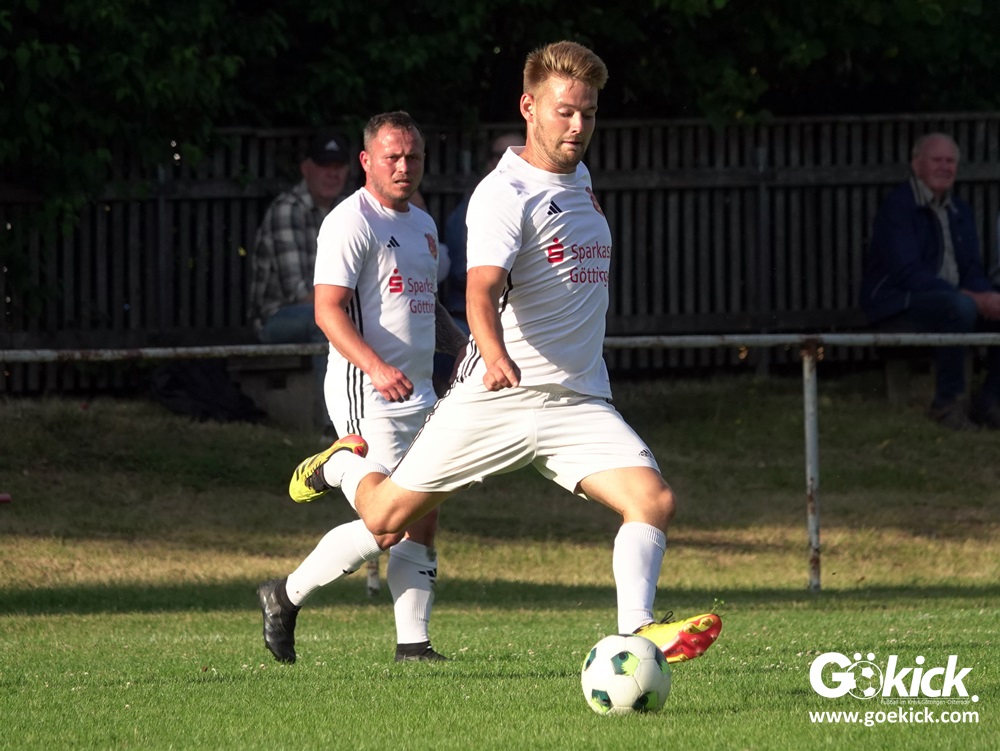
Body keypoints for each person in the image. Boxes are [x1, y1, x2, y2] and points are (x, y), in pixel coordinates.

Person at [284, 41, 722, 664]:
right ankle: (337, 470)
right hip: (497, 396)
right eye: (565, 112)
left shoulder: (580, 180)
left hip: (577, 399)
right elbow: (480, 290)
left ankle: (636, 633)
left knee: (653, 501)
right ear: (528, 107)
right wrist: (490, 355)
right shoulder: (503, 194)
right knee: (385, 520)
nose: (578, 126)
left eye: (589, 113)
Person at [256, 112, 468, 664]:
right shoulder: (350, 222)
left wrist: (463, 347)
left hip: (419, 394)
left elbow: (424, 305)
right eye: (392, 157)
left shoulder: (423, 224)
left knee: (422, 515)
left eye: (413, 157)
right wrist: (375, 367)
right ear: (367, 161)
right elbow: (327, 311)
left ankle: (412, 645)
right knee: (384, 522)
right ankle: (332, 472)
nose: (404, 166)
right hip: (366, 392)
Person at [861, 132, 1000, 430]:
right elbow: (908, 273)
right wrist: (971, 298)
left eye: (950, 161)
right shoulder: (899, 207)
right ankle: (946, 404)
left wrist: (989, 297)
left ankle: (990, 400)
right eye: (937, 160)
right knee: (960, 307)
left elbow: (972, 270)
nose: (945, 167)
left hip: (951, 302)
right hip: (898, 304)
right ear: (917, 165)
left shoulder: (959, 210)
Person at [248, 131, 352, 429]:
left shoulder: (348, 211)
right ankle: (330, 426)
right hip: (277, 317)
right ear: (306, 168)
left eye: (338, 166)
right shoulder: (288, 210)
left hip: (333, 307)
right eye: (324, 165)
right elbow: (299, 292)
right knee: (326, 321)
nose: (332, 173)